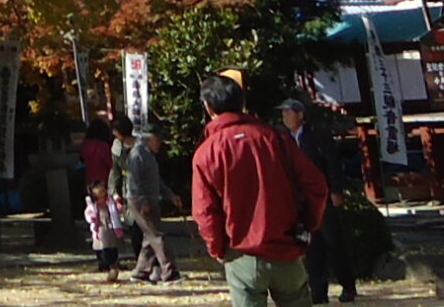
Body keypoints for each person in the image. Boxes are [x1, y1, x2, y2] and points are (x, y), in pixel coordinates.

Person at [191, 77, 329, 307]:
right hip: (286, 246)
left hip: (241, 252)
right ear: (241, 102)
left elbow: (205, 210)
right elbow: (316, 185)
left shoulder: (207, 152)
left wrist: (217, 248)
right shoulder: (276, 138)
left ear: (208, 106)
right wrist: (307, 224)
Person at [277, 98, 359, 304]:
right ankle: (318, 290)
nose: (285, 117)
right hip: (300, 199)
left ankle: (347, 285)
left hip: (322, 194)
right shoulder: (282, 137)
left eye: (289, 112)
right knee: (311, 245)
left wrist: (336, 189)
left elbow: (332, 161)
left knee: (333, 241)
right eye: (283, 113)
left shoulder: (316, 133)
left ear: (300, 114)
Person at [123, 126, 179, 283]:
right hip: (141, 201)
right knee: (158, 236)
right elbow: (133, 182)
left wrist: (170, 195)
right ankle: (170, 273)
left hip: (150, 200)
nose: (160, 143)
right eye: (158, 139)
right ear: (149, 138)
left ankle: (140, 272)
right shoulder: (137, 155)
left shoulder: (148, 155)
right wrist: (143, 202)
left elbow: (155, 181)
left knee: (150, 238)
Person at [79, 120, 116, 256]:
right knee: (105, 219)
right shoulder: (103, 147)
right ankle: (107, 252)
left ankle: (97, 247)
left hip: (89, 183)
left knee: (93, 217)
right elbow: (111, 165)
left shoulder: (85, 146)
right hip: (103, 184)